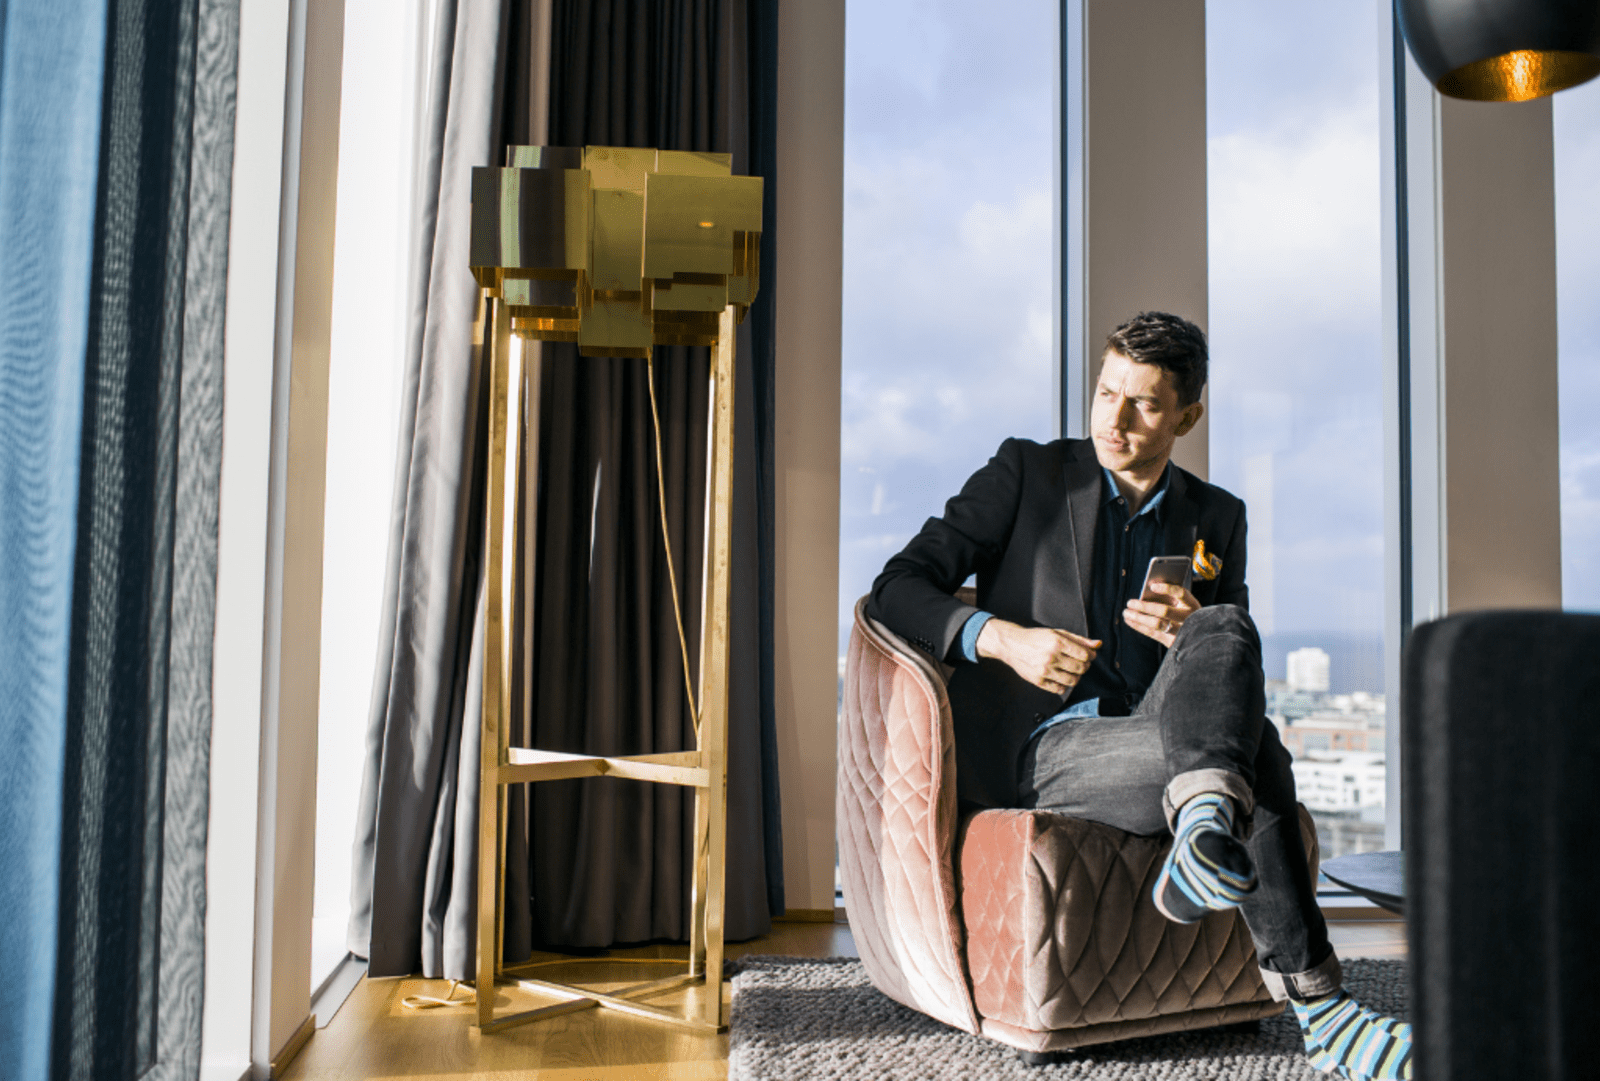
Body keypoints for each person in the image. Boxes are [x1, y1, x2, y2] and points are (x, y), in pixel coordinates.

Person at [866, 311, 1411, 1081]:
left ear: (1187, 416)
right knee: (1256, 750)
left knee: (1222, 624)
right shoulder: (1026, 473)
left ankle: (1203, 825)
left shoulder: (1217, 516)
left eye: (1145, 404)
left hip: (1157, 744)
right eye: (1106, 392)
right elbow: (896, 587)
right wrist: (1004, 638)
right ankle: (1319, 1005)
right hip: (1040, 748)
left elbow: (1236, 669)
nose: (1114, 420)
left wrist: (1189, 635)